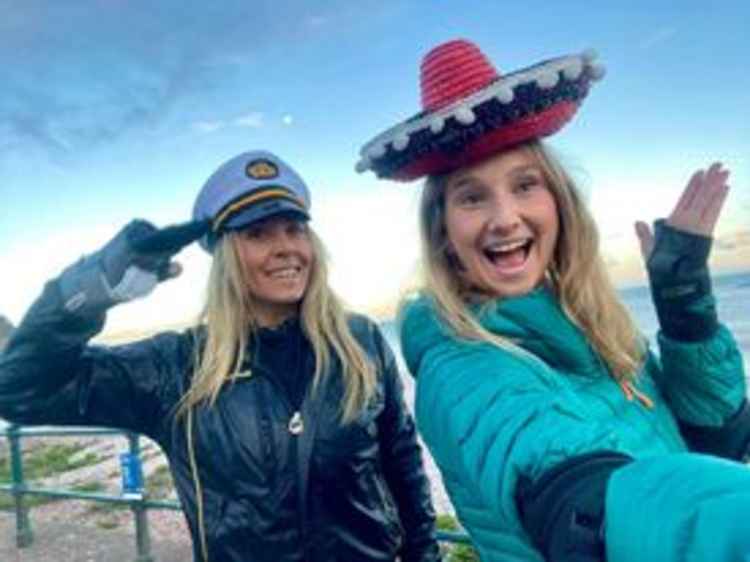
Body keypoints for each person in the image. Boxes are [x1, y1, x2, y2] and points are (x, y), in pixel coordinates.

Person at [356, 39, 750, 562]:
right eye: (473, 196)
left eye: (525, 185)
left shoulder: (589, 323)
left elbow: (716, 438)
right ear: (444, 231)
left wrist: (684, 301)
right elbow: (581, 503)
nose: (504, 217)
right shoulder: (460, 366)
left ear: (559, 202)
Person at [0, 150, 442, 562]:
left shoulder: (360, 339)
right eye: (257, 234)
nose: (286, 246)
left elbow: (402, 464)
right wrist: (88, 291)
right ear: (226, 257)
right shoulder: (176, 368)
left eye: (295, 228)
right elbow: (18, 391)